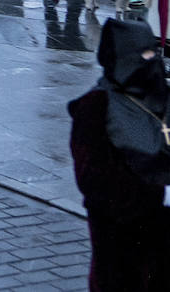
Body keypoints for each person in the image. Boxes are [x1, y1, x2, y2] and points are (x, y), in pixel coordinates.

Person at [68, 19, 170, 290]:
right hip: (115, 225)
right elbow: (91, 176)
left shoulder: (156, 94)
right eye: (142, 54)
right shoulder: (95, 106)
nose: (150, 61)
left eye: (152, 53)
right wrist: (141, 191)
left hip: (155, 224)